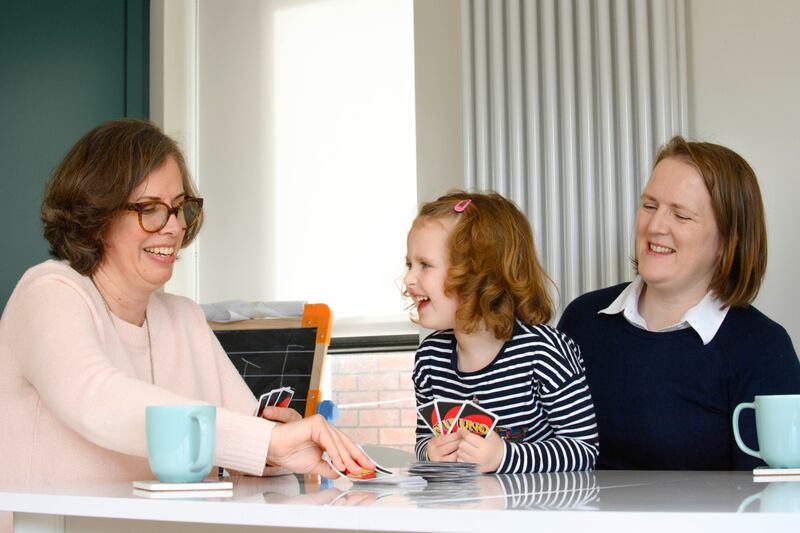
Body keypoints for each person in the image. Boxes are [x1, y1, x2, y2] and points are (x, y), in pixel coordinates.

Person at [0, 118, 373, 488]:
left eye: (179, 206)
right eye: (149, 208)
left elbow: (247, 436)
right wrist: (267, 442)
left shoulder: (182, 317)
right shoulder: (48, 291)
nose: (174, 226)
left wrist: (277, 446)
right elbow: (97, 399)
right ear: (96, 216)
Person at [558, 136, 800, 470]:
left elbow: (767, 500)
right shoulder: (582, 320)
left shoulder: (762, 349)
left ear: (729, 240)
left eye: (681, 216)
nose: (655, 226)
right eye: (649, 205)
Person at [404, 191, 599, 473]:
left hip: (541, 512)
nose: (409, 279)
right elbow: (424, 440)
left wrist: (504, 457)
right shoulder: (429, 359)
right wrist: (430, 452)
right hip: (466, 511)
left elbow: (583, 450)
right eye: (410, 264)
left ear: (478, 274)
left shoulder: (545, 353)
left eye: (425, 265)